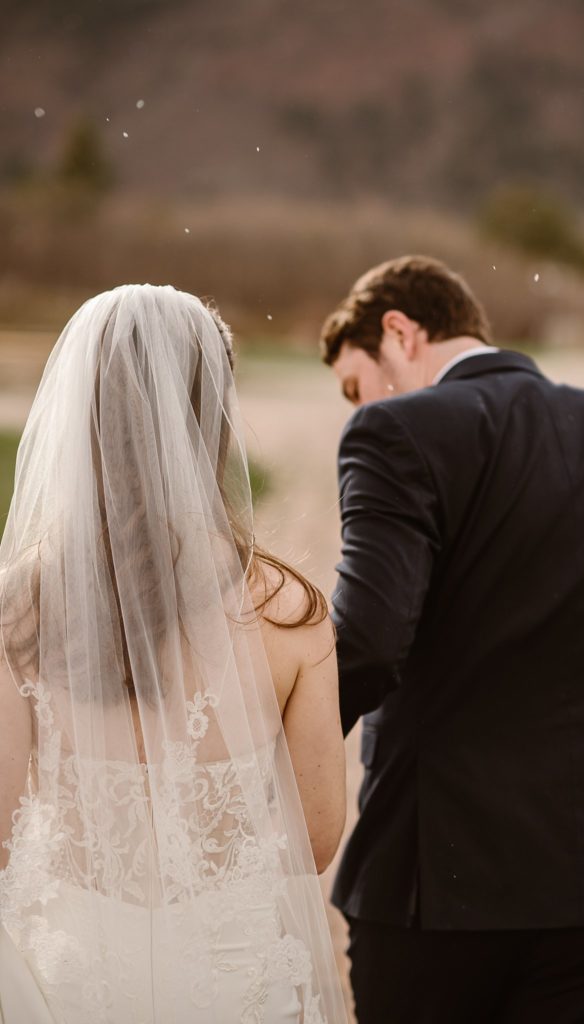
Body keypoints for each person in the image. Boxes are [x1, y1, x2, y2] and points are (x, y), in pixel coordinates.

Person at [320, 254, 584, 1024]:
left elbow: (367, 644)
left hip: (435, 892)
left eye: (357, 383)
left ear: (399, 331)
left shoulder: (394, 432)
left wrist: (273, 765)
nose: (360, 403)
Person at [0, 285, 348, 1024]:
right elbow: (315, 836)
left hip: (70, 976)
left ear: (80, 412)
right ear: (212, 412)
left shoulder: (14, 609)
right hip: (231, 976)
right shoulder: (291, 611)